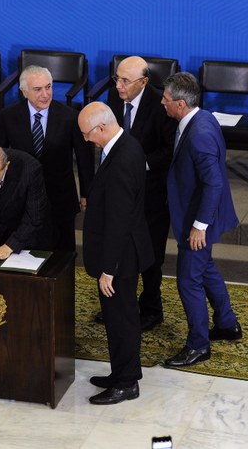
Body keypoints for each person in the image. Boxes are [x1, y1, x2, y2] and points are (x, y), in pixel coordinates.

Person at [161, 72, 242, 367]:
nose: (162, 103)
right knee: (206, 269)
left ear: (181, 104)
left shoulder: (199, 135)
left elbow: (214, 183)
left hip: (198, 221)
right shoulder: (203, 118)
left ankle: (198, 346)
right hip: (199, 214)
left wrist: (199, 226)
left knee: (188, 282)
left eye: (166, 99)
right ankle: (227, 324)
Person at [77, 102, 154, 405]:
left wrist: (108, 268)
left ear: (103, 127)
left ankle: (126, 383)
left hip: (120, 260)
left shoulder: (122, 158)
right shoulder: (124, 146)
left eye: (87, 134)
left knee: (122, 320)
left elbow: (119, 220)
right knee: (117, 319)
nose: (85, 140)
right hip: (122, 253)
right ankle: (120, 371)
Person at [94, 56, 177, 331]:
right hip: (118, 192)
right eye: (117, 78)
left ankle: (152, 308)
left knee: (150, 254)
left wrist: (134, 163)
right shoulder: (113, 97)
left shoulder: (160, 105)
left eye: (125, 81)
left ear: (143, 82)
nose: (119, 85)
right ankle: (117, 303)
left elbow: (168, 150)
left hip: (152, 193)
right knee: (116, 247)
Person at [0, 65, 94, 251]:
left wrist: (87, 192)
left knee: (63, 253)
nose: (45, 94)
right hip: (23, 196)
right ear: (24, 91)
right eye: (38, 89)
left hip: (60, 198)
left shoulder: (70, 117)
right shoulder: (9, 116)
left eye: (48, 87)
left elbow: (84, 158)